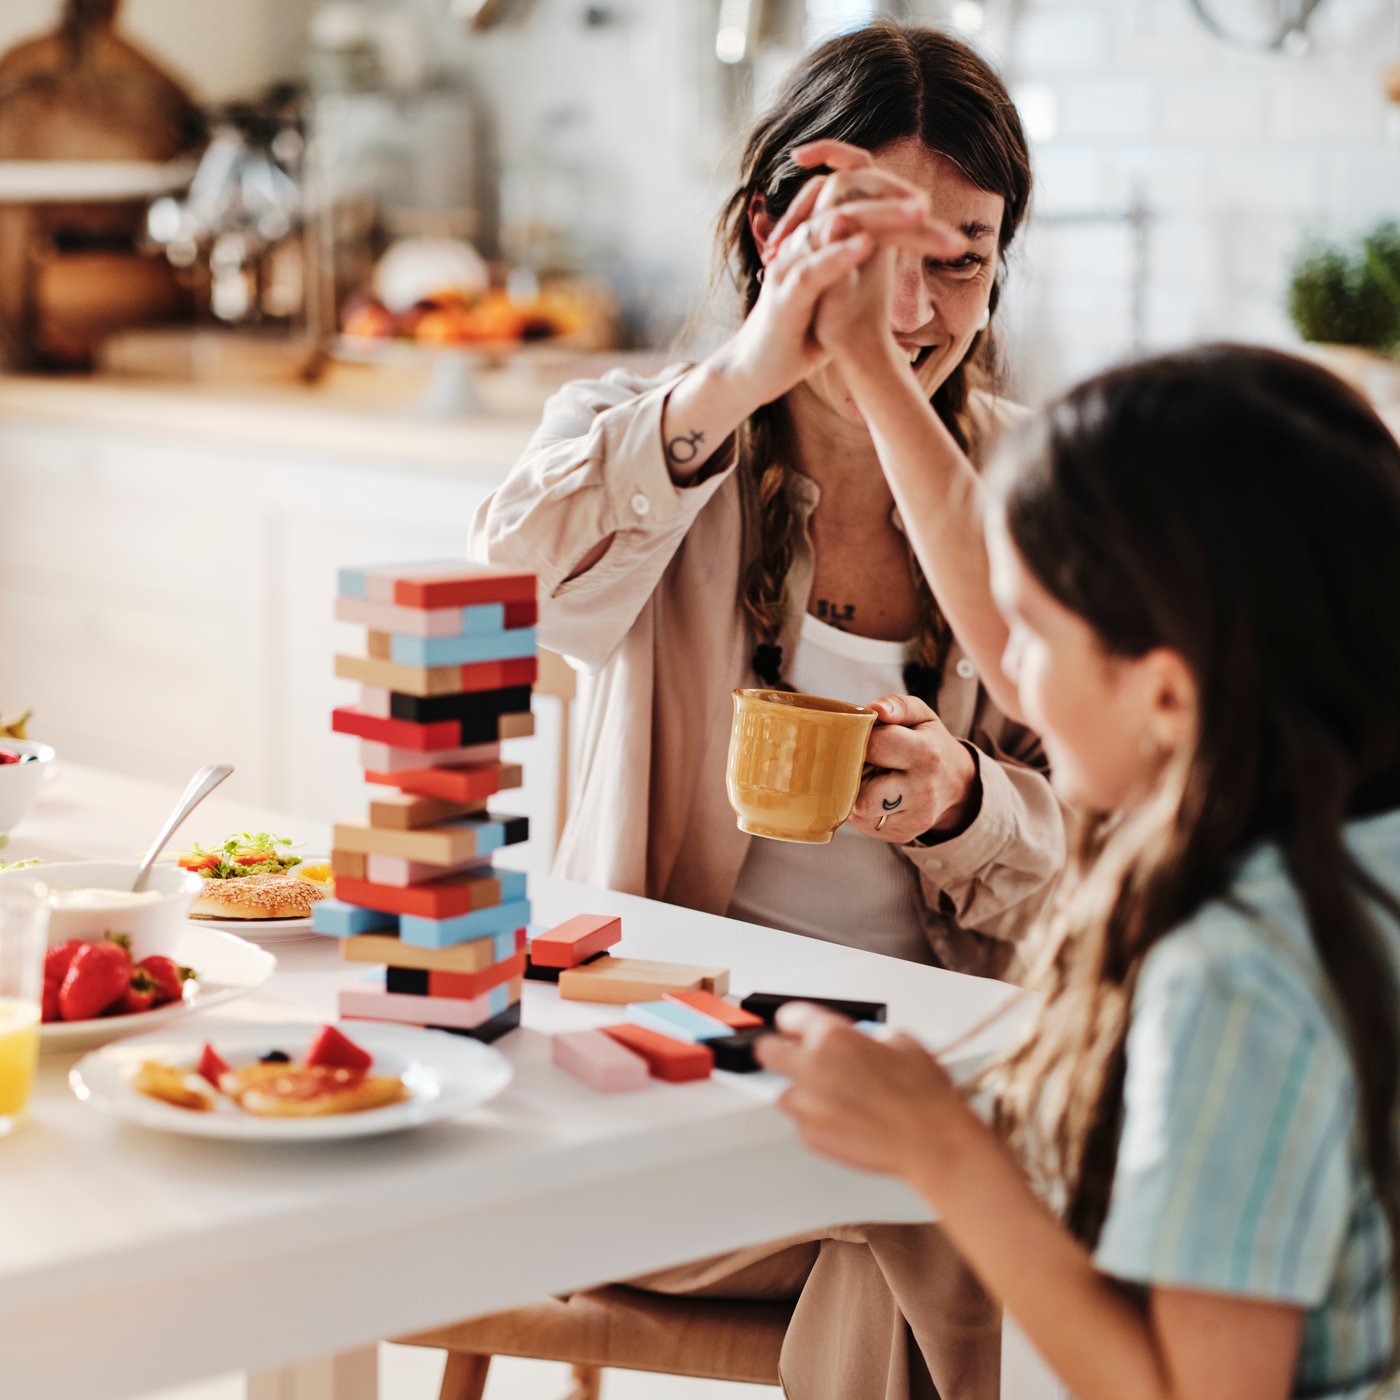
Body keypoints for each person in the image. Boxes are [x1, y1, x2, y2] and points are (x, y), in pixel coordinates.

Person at [761, 343, 1400, 1400]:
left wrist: (943, 1153)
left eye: (1035, 635)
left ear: (1162, 695)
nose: (1009, 675)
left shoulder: (1233, 974)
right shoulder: (1353, 853)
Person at [472, 21, 1064, 981]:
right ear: (770, 230)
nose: (908, 313)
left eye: (960, 260)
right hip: (664, 1007)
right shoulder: (644, 429)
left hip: (942, 1031)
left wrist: (967, 806)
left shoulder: (1042, 480)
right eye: (871, 256)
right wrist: (742, 373)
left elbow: (1118, 852)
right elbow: (511, 592)